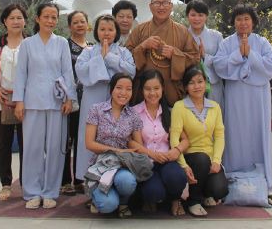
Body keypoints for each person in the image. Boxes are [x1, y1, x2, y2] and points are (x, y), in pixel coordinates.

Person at [213, 3, 272, 207]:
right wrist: (238, 55)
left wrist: (250, 54)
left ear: (253, 22)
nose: (243, 23)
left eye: (246, 19)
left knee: (259, 136)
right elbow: (219, 64)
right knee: (235, 135)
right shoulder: (226, 43)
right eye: (239, 19)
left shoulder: (262, 42)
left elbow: (271, 64)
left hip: (258, 96)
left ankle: (266, 188)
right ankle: (232, 186)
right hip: (236, 95)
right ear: (233, 22)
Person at [13, 2, 76, 210]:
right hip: (32, 102)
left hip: (57, 102)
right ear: (37, 19)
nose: (50, 21)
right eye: (46, 16)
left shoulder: (62, 43)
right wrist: (19, 101)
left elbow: (68, 72)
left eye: (54, 17)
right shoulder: (27, 44)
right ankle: (32, 192)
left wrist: (69, 98)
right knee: (32, 148)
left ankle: (50, 191)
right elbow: (21, 74)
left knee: (55, 148)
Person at [75, 14, 136, 180]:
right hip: (92, 96)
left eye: (110, 29)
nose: (106, 33)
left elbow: (131, 71)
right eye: (102, 29)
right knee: (89, 134)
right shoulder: (88, 51)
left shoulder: (124, 52)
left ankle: (115, 178)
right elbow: (80, 71)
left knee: (117, 134)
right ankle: (88, 178)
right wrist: (99, 59)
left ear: (116, 32)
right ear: (96, 31)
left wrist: (109, 58)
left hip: (117, 100)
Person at [170, 66, 228, 217]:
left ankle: (204, 193)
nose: (197, 86)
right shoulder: (179, 107)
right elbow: (174, 139)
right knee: (201, 159)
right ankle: (193, 201)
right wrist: (183, 165)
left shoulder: (215, 107)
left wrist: (216, 161)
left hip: (209, 159)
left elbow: (219, 136)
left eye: (200, 81)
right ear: (185, 87)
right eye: (191, 83)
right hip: (191, 158)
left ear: (206, 83)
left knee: (220, 190)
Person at [125, 0, 200, 106]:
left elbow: (195, 58)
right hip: (143, 90)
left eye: (165, 3)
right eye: (157, 3)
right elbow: (125, 58)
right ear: (150, 7)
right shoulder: (139, 30)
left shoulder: (182, 31)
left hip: (171, 89)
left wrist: (175, 55)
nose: (161, 7)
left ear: (171, 6)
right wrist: (143, 46)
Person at [131, 70, 189, 216]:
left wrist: (176, 150)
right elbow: (130, 143)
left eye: (156, 88)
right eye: (148, 89)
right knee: (154, 192)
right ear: (142, 90)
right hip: (146, 162)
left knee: (177, 178)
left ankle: (175, 199)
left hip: (167, 160)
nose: (152, 93)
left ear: (163, 88)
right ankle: (151, 198)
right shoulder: (134, 112)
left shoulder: (170, 112)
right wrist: (152, 154)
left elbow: (185, 140)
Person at [85, 73, 143, 217]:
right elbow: (89, 143)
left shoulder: (134, 115)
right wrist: (116, 150)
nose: (124, 92)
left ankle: (123, 202)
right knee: (107, 205)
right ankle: (98, 197)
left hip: (122, 164)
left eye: (128, 89)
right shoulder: (96, 109)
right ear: (111, 89)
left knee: (127, 182)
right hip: (101, 164)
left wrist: (130, 149)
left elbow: (138, 146)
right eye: (119, 88)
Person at [0, 3, 27, 201]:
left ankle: (27, 183)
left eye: (19, 18)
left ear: (25, 21)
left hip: (26, 101)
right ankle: (6, 184)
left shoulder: (30, 43)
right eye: (12, 18)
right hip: (2, 100)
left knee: (27, 144)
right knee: (4, 143)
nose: (16, 21)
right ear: (5, 21)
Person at [61, 10, 89, 195]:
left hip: (88, 101)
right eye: (76, 22)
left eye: (82, 21)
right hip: (70, 100)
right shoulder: (65, 46)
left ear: (88, 24)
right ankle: (65, 181)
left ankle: (79, 179)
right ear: (70, 26)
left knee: (83, 140)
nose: (79, 25)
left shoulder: (92, 47)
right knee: (67, 140)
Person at [185, 0, 224, 111]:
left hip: (213, 85)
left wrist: (204, 57)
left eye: (200, 15)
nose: (197, 18)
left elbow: (222, 62)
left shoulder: (216, 36)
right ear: (187, 16)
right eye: (193, 15)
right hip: (190, 85)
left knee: (214, 115)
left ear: (206, 16)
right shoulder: (182, 35)